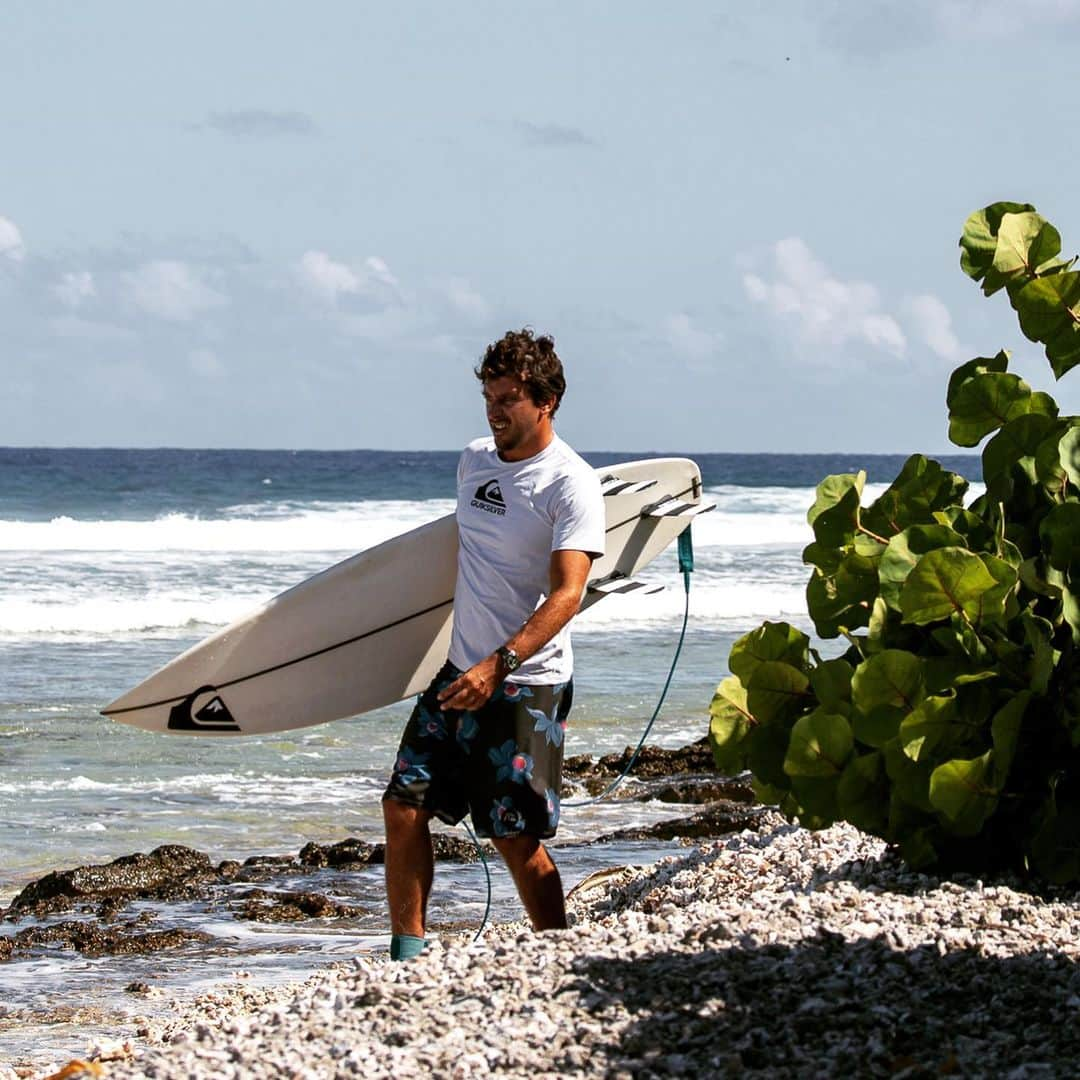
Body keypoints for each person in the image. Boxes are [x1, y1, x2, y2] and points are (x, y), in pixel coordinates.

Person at [381, 328, 605, 960]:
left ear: (546, 402)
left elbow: (568, 593)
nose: (495, 410)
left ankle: (557, 952)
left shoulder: (570, 484)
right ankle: (408, 957)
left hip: (525, 682)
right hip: (459, 673)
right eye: (489, 396)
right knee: (403, 805)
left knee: (514, 836)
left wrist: (499, 662)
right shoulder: (474, 459)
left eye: (508, 398)